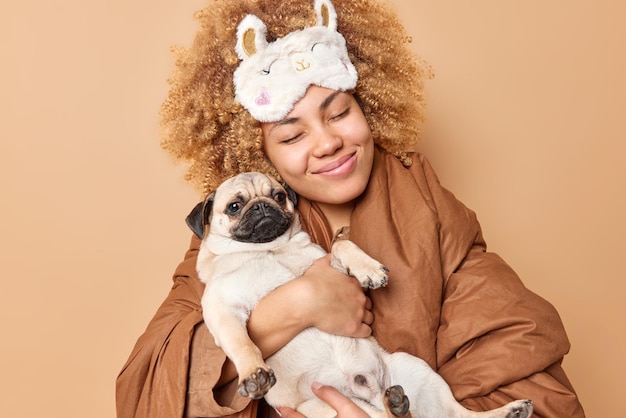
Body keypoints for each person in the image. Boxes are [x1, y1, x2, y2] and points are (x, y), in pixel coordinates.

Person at [116, 0, 585, 417]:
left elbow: (520, 344)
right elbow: (153, 381)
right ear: (256, 154)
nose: (329, 142)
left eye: (339, 112)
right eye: (292, 135)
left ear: (370, 107)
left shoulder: (427, 204)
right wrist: (296, 306)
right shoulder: (218, 244)